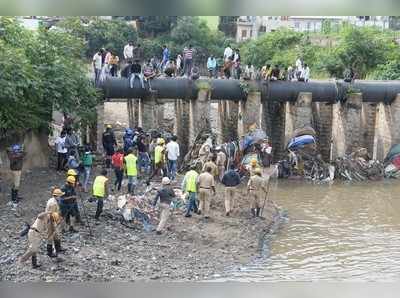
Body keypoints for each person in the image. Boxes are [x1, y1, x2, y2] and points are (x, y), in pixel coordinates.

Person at [45, 188, 66, 256]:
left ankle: (58, 248)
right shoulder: (53, 203)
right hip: (50, 221)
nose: (61, 197)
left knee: (56, 234)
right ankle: (49, 252)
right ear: (57, 196)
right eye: (60, 196)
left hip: (53, 220)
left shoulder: (53, 200)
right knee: (50, 236)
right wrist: (56, 223)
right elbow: (51, 215)